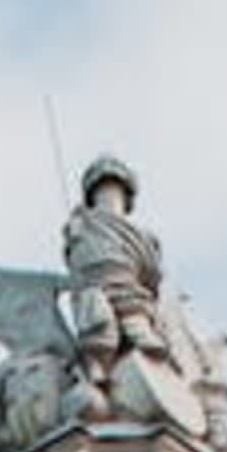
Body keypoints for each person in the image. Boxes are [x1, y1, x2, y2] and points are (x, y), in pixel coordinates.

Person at [62, 154, 171, 400]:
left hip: (135, 300)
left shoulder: (145, 238)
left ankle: (118, 348)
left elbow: (151, 275)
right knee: (98, 319)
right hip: (98, 296)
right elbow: (80, 265)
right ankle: (96, 365)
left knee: (136, 326)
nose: (109, 193)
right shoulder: (81, 226)